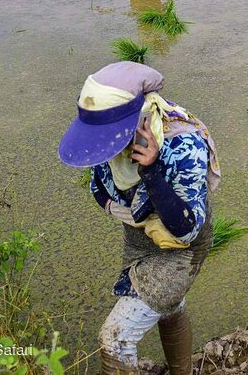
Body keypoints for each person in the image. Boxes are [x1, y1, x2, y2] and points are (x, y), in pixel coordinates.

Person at [58, 62, 220, 375]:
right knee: (169, 308)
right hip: (139, 238)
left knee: (114, 339)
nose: (104, 147)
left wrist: (152, 170)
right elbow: (99, 186)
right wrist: (129, 214)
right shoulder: (110, 141)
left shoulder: (183, 144)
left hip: (182, 248)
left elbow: (186, 230)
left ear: (138, 118)